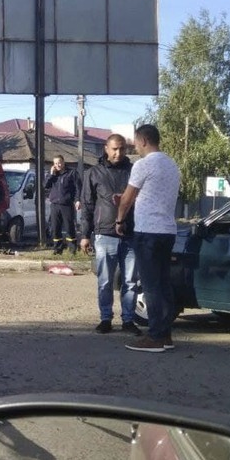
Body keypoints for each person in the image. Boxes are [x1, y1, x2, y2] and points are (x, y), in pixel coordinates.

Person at [115, 124, 181, 353]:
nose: (135, 146)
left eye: (135, 142)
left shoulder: (143, 165)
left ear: (143, 140)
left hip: (148, 231)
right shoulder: (172, 164)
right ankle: (166, 334)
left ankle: (154, 337)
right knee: (163, 283)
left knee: (151, 285)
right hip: (168, 230)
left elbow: (127, 198)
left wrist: (120, 220)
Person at [79, 135, 140, 335]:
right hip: (104, 234)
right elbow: (87, 205)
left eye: (122, 149)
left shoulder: (133, 172)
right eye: (114, 149)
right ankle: (105, 318)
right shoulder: (94, 173)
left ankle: (128, 321)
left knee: (130, 282)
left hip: (131, 234)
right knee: (105, 281)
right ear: (106, 148)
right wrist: (85, 235)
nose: (118, 153)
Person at [45, 155, 79, 254]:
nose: (58, 165)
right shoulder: (53, 174)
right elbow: (45, 185)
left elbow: (78, 187)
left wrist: (78, 200)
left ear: (63, 162)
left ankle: (72, 249)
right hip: (55, 204)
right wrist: (51, 174)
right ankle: (57, 249)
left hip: (67, 204)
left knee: (69, 227)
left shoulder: (71, 173)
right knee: (55, 228)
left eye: (59, 162)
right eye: (55, 163)